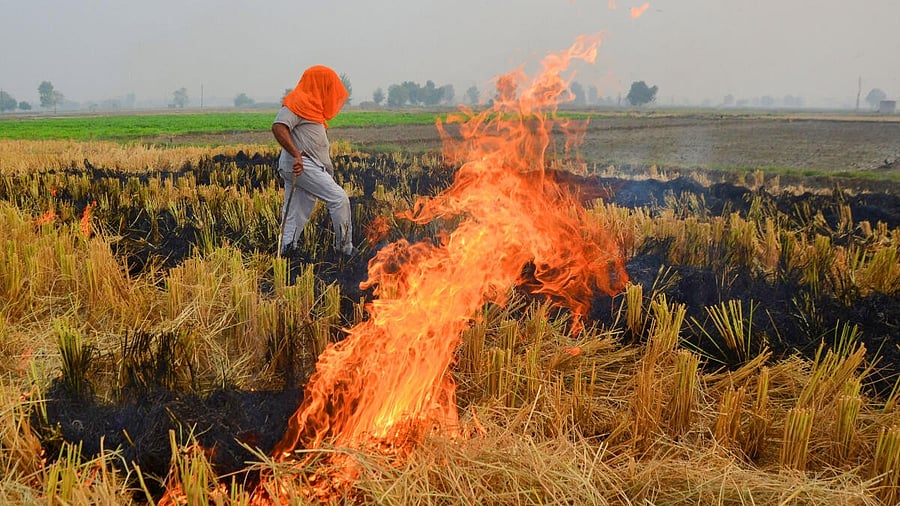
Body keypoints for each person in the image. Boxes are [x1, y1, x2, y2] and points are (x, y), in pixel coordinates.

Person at [272, 65, 357, 258]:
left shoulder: (312, 107)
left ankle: (286, 253)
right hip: (303, 165)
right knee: (339, 198)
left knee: (295, 212)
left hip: (305, 166)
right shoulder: (297, 101)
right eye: (328, 86)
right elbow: (278, 127)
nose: (330, 92)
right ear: (318, 83)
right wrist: (296, 154)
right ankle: (345, 250)